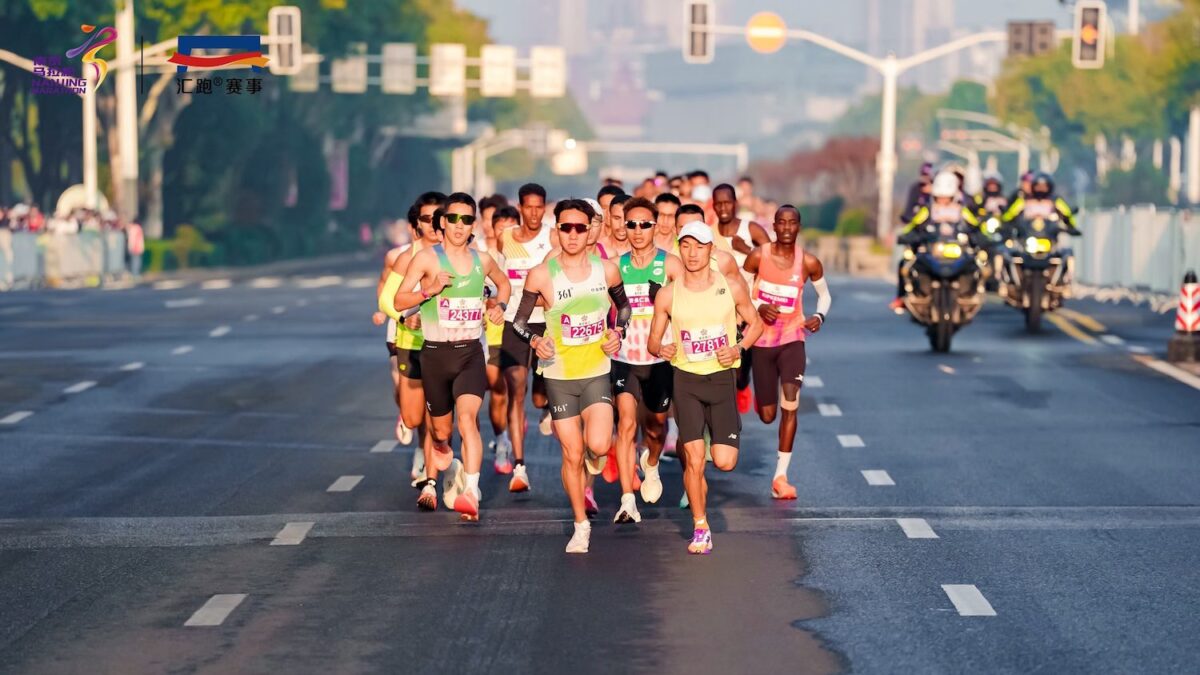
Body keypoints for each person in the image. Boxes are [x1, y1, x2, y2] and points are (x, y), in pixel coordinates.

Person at [512, 198, 631, 553]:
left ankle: (595, 466)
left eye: (581, 227)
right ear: (557, 231)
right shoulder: (541, 274)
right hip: (559, 375)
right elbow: (519, 320)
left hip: (596, 370)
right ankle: (580, 524)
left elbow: (623, 307)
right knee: (572, 453)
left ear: (591, 229)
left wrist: (617, 333)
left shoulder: (606, 270)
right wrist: (536, 340)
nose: (574, 234)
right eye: (567, 227)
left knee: (598, 445)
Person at [392, 194, 511, 521]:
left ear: (473, 225)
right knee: (441, 433)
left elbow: (504, 284)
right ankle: (445, 453)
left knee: (468, 420)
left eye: (467, 220)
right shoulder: (427, 259)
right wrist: (428, 291)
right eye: (454, 219)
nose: (460, 226)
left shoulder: (482, 260)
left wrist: (498, 306)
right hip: (434, 354)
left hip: (470, 352)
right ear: (442, 223)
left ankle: (471, 491)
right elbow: (400, 300)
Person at [648, 221, 762, 555]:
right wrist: (661, 348)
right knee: (694, 459)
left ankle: (703, 486)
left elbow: (755, 324)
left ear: (711, 249)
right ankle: (700, 525)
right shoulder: (668, 293)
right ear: (679, 249)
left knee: (724, 461)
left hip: (721, 379)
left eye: (699, 246)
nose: (692, 252)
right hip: (686, 381)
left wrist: (739, 348)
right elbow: (655, 339)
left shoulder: (730, 287)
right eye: (685, 246)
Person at [743, 206, 830, 499]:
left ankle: (781, 477)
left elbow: (825, 296)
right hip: (761, 341)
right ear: (775, 226)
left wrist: (819, 316)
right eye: (782, 222)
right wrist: (758, 307)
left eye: (793, 223)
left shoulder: (809, 262)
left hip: (793, 338)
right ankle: (759, 400)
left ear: (799, 227)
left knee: (790, 400)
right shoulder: (758, 256)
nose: (787, 228)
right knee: (767, 415)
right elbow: (738, 289)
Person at [611, 197, 682, 522]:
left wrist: (665, 302)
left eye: (645, 225)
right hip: (625, 358)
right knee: (626, 425)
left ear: (656, 227)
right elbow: (600, 309)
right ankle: (628, 499)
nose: (637, 231)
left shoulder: (670, 264)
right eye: (631, 224)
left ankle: (651, 463)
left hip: (660, 359)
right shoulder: (615, 265)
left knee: (655, 428)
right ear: (623, 227)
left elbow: (688, 308)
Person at [378, 192, 444, 496]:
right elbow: (386, 299)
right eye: (428, 219)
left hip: (445, 344)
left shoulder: (459, 255)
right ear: (417, 224)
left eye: (439, 218)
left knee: (441, 416)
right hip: (407, 341)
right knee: (414, 415)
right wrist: (405, 317)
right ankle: (414, 433)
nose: (434, 225)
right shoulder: (405, 257)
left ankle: (434, 480)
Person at [498, 183, 555, 492]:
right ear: (519, 207)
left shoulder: (553, 237)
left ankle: (545, 404)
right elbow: (496, 277)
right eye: (528, 207)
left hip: (545, 323)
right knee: (516, 389)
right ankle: (519, 465)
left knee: (538, 396)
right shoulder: (505, 238)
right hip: (514, 322)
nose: (534, 213)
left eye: (539, 207)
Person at [890, 172, 973, 311]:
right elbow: (913, 226)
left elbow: (976, 226)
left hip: (956, 251)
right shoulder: (927, 210)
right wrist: (906, 236)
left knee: (976, 263)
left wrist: (982, 236)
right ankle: (902, 298)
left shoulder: (961, 210)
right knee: (905, 263)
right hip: (932, 250)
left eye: (946, 198)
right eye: (939, 197)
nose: (942, 201)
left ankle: (970, 294)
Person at [486, 205, 519, 473]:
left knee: (508, 390)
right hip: (485, 334)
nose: (505, 233)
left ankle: (505, 440)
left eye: (511, 228)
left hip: (511, 331)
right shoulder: (482, 259)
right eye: (501, 228)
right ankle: (501, 438)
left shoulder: (523, 259)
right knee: (496, 389)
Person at [1000, 172, 1080, 232]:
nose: (1041, 189)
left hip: (1049, 235)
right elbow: (1010, 214)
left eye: (1044, 187)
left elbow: (1067, 213)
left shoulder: (1055, 200)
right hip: (1027, 235)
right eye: (1038, 186)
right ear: (1033, 186)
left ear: (1049, 187)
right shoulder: (1024, 200)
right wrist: (1003, 223)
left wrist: (1072, 227)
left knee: (1067, 253)